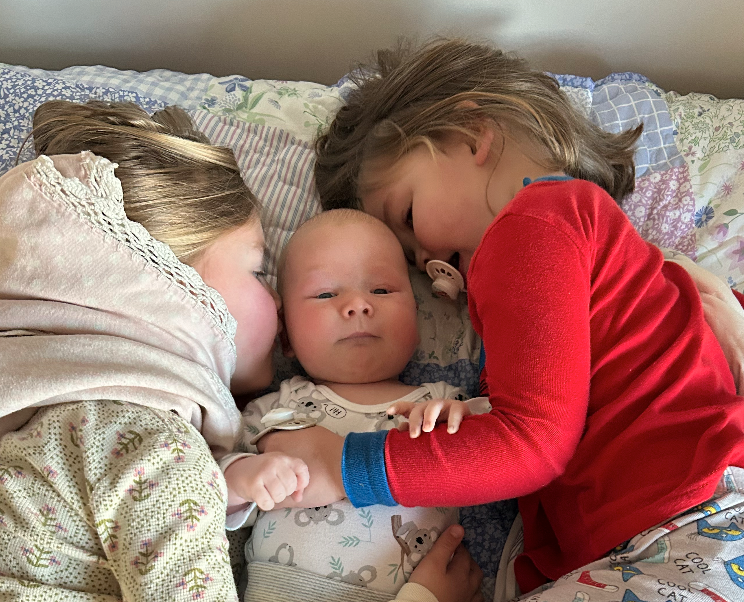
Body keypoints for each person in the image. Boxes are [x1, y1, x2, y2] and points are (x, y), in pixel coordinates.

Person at [252, 38, 744, 601]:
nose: (429, 266)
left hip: (683, 525)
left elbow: (533, 443)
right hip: (672, 531)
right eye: (413, 259)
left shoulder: (531, 224)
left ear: (471, 135)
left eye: (408, 217)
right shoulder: (603, 245)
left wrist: (341, 466)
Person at [0, 99, 481, 602]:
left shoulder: (66, 427)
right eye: (258, 271)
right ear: (179, 295)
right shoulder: (160, 452)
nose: (275, 300)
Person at [220, 208, 487, 602]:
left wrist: (465, 422)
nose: (358, 304)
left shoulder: (444, 403)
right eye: (326, 294)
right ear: (285, 336)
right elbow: (206, 492)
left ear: (416, 318)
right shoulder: (272, 409)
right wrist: (241, 477)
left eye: (381, 290)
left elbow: (506, 452)